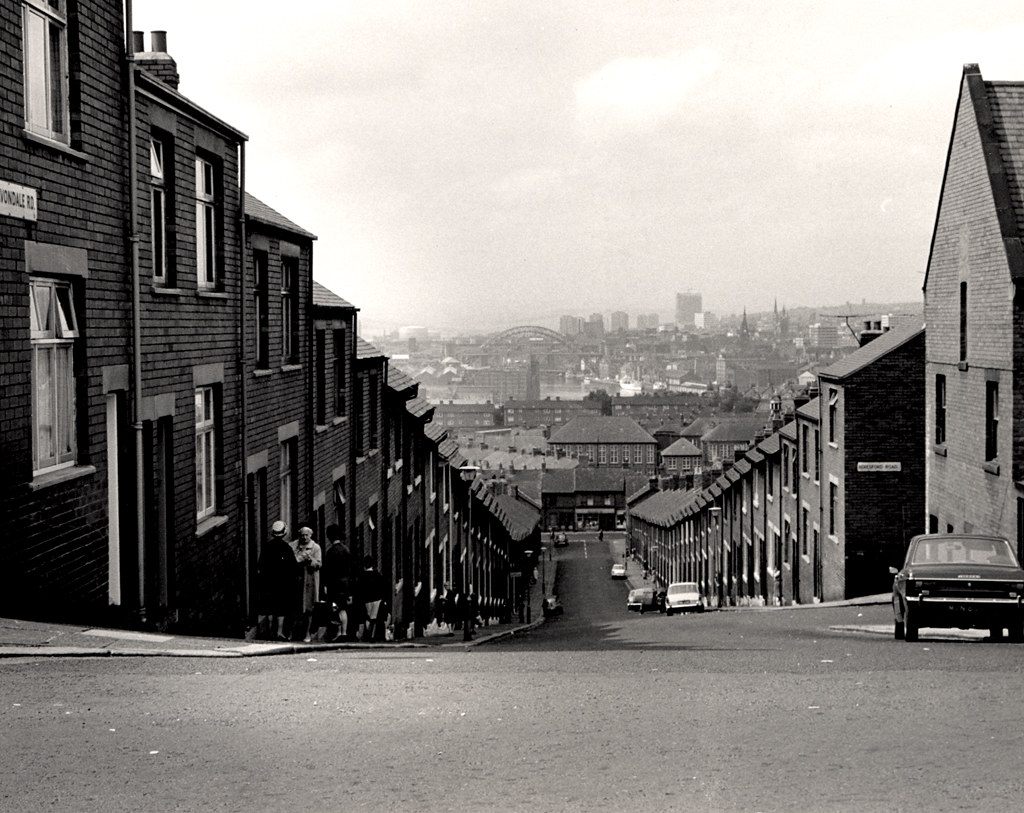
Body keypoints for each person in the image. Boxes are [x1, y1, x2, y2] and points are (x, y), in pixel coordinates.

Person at [258, 521, 297, 641]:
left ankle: (270, 630)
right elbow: (293, 567)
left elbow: (260, 564)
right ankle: (279, 632)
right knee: (281, 609)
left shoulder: (267, 547)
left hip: (268, 582)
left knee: (269, 607)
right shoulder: (287, 548)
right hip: (283, 584)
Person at [320, 524, 351, 642]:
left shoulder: (331, 552)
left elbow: (328, 570)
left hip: (334, 584)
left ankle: (339, 632)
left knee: (335, 608)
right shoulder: (346, 550)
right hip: (345, 583)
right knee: (343, 608)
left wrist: (325, 585)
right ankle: (344, 632)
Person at [293, 526, 322, 643]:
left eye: (307, 535)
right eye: (302, 535)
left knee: (309, 609)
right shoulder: (294, 545)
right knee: (296, 608)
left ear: (311, 535)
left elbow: (319, 564)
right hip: (297, 581)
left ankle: (307, 633)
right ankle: (293, 632)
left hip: (310, 582)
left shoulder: (315, 547)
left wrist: (310, 559)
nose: (304, 537)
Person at [356, 555, 388, 642]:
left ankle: (368, 634)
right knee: (374, 618)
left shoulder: (362, 577)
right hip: (377, 600)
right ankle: (373, 635)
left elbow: (359, 590)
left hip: (366, 600)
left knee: (368, 617)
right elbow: (383, 588)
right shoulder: (377, 575)